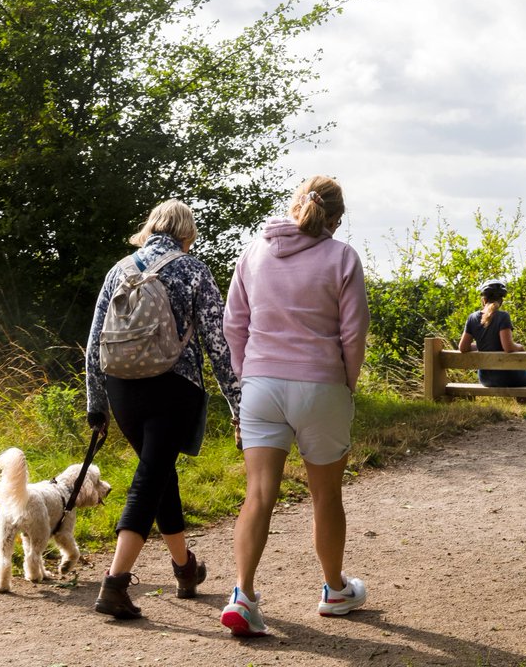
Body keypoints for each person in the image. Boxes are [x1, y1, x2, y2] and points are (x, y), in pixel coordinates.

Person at [220, 175, 370, 637]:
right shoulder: (342, 257)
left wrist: (250, 377)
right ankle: (334, 590)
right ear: (336, 218)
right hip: (320, 385)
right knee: (326, 493)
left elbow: (234, 324)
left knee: (258, 494)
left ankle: (243, 595)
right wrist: (345, 383)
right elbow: (353, 333)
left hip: (261, 384)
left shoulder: (254, 251)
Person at [85, 199, 241, 619]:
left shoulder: (120, 268)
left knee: (158, 471)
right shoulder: (193, 270)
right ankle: (115, 584)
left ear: (151, 227)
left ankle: (184, 568)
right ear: (187, 233)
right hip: (174, 386)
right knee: (150, 476)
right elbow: (217, 343)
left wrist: (95, 405)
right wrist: (237, 404)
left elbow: (95, 340)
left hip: (122, 390)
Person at [458, 279, 526, 387]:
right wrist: (520, 347)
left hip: (485, 378)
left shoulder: (472, 318)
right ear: (501, 301)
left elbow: (463, 347)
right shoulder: (503, 317)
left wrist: (484, 346)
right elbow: (508, 347)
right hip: (505, 374)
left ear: (483, 300)